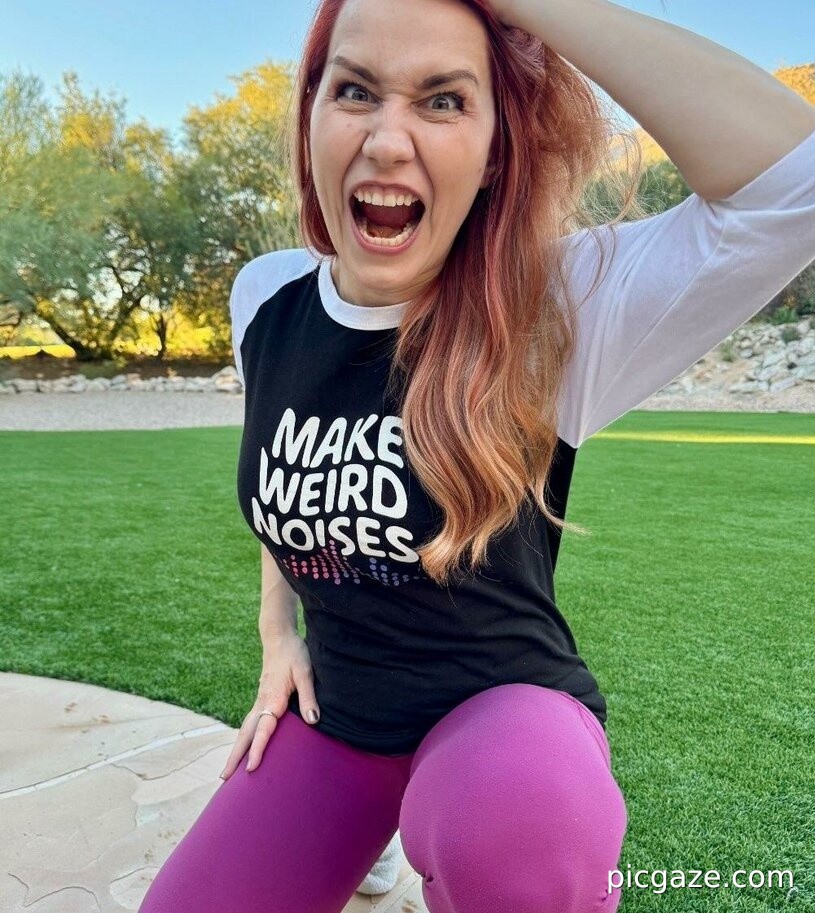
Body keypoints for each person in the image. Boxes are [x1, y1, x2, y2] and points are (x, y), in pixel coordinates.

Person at [138, 0, 815, 911]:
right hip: (340, 720)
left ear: (496, 149)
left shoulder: (557, 308)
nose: (387, 140)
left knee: (510, 826)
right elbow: (286, 482)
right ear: (311, 116)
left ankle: (454, 806)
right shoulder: (266, 297)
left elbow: (792, 185)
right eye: (355, 91)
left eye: (444, 100)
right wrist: (276, 635)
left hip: (501, 726)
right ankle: (380, 828)